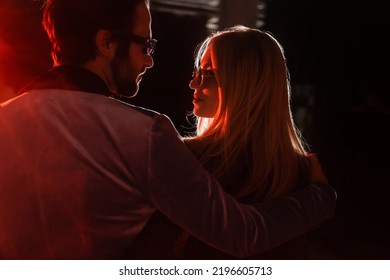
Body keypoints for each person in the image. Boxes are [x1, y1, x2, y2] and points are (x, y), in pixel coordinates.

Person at [0, 0, 336, 259]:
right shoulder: (143, 133)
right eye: (145, 45)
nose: (149, 61)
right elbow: (240, 233)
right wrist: (320, 196)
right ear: (106, 43)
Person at [128, 25, 333, 259]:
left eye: (209, 73)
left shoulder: (182, 157)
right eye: (196, 73)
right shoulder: (303, 174)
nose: (193, 84)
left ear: (245, 82)